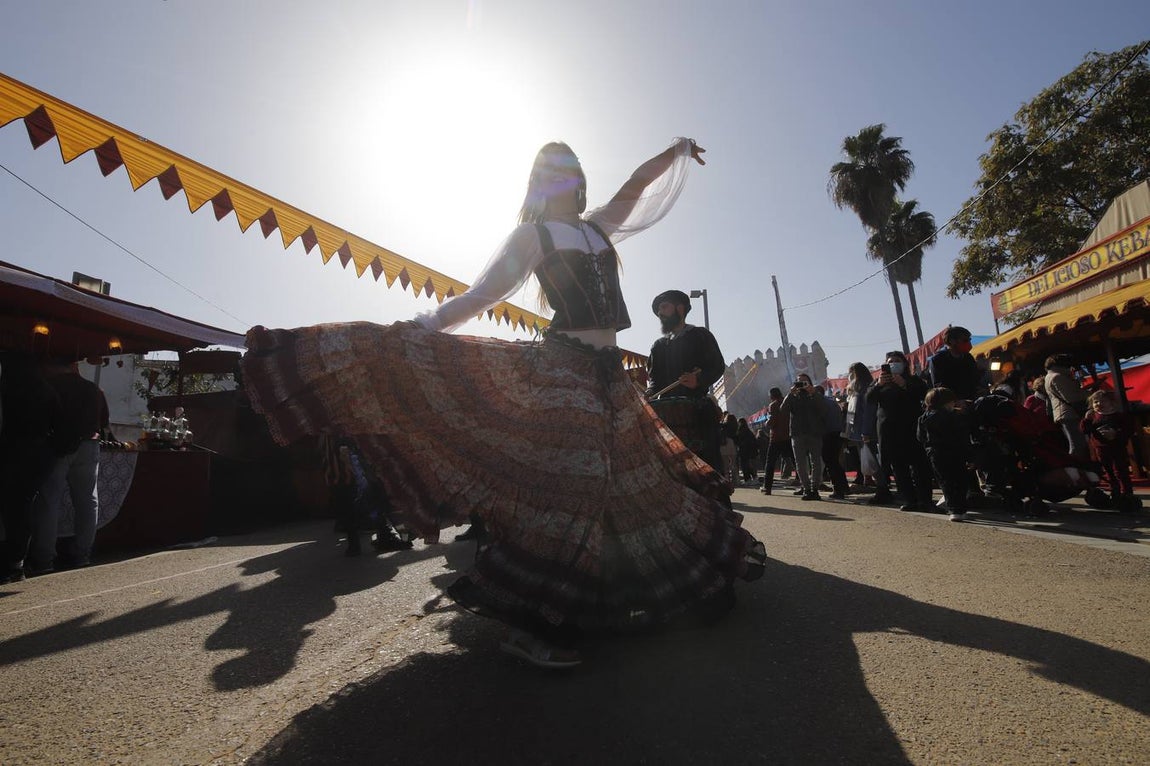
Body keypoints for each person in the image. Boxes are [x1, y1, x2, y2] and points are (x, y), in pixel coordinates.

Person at [242, 138, 765, 669]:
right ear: (539, 184)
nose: (565, 179)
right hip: (564, 371)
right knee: (577, 483)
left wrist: (675, 153)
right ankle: (531, 625)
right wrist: (419, 328)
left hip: (608, 378)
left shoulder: (596, 227)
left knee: (634, 485)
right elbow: (482, 295)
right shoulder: (533, 235)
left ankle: (594, 603)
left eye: (572, 169)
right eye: (553, 172)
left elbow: (634, 185)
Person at [29, 359, 108, 573]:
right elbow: (104, 421)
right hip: (89, 444)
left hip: (58, 445)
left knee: (49, 500)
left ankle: (44, 558)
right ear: (74, 366)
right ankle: (82, 554)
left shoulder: (49, 386)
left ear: (51, 365)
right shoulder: (94, 389)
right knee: (87, 500)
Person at [645, 289, 726, 473]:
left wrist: (699, 379)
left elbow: (717, 366)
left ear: (680, 309)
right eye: (658, 310)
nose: (660, 313)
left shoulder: (700, 335)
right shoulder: (658, 346)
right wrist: (650, 392)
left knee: (707, 467)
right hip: (667, 416)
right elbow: (655, 380)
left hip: (698, 412)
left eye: (664, 307)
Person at [0, 353, 62, 583]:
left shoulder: (8, 389)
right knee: (22, 506)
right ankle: (17, 562)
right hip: (38, 454)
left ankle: (13, 561)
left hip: (12, 450)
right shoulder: (46, 390)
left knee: (13, 507)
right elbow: (59, 424)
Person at [867, 351, 933, 512]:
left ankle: (925, 500)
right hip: (889, 430)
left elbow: (924, 394)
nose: (894, 364)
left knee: (920, 466)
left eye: (897, 361)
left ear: (904, 364)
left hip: (912, 428)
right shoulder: (880, 382)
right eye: (890, 361)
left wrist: (904, 385)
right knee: (899, 467)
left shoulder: (913, 380)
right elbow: (869, 399)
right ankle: (909, 499)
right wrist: (878, 385)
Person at [917, 388, 973, 522]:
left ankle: (954, 509)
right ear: (947, 402)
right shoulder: (954, 417)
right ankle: (960, 509)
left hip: (935, 453)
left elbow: (920, 437)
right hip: (955, 452)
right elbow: (962, 437)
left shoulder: (923, 418)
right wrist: (969, 455)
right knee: (960, 481)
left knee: (945, 482)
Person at [1080, 390, 1137, 509]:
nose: (1098, 404)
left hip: (1117, 447)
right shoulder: (1094, 417)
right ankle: (1115, 492)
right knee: (1108, 471)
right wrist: (1086, 419)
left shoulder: (1119, 416)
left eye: (1103, 401)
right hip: (1101, 449)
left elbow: (1129, 429)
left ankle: (1126, 494)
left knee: (1120, 471)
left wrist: (1116, 434)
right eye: (1095, 402)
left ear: (1111, 402)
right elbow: (1084, 430)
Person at [779, 373, 824, 501]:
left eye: (804, 382)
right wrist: (790, 394)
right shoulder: (793, 397)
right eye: (799, 382)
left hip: (814, 433)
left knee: (816, 462)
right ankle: (806, 489)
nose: (802, 385)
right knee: (800, 463)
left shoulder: (814, 394)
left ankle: (815, 489)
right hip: (797, 433)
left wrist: (813, 393)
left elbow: (823, 408)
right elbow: (783, 410)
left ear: (809, 383)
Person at [1044, 354, 1090, 460]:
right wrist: (1089, 393)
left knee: (1076, 443)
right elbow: (1072, 397)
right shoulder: (1058, 377)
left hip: (1063, 413)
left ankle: (1076, 466)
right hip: (1069, 413)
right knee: (1077, 445)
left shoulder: (1049, 376)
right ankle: (1075, 467)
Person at [927, 326, 982, 404]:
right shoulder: (938, 360)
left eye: (969, 340)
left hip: (972, 401)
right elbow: (940, 387)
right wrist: (956, 402)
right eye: (965, 340)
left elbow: (976, 380)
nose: (969, 344)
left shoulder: (968, 358)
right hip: (952, 405)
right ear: (952, 341)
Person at [816, 385, 850, 500]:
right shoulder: (832, 402)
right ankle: (844, 487)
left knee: (830, 463)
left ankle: (838, 489)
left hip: (827, 434)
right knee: (835, 462)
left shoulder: (821, 404)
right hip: (837, 433)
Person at [760, 387, 793, 495]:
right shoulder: (787, 402)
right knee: (795, 461)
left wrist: (766, 423)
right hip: (788, 436)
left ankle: (767, 487)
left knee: (770, 463)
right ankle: (803, 483)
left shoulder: (773, 405)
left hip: (776, 438)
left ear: (772, 395)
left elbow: (772, 421)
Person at [735, 417, 758, 484]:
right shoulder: (748, 431)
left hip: (744, 450)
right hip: (748, 450)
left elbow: (739, 440)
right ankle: (753, 478)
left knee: (745, 466)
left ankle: (748, 479)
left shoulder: (741, 430)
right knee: (747, 465)